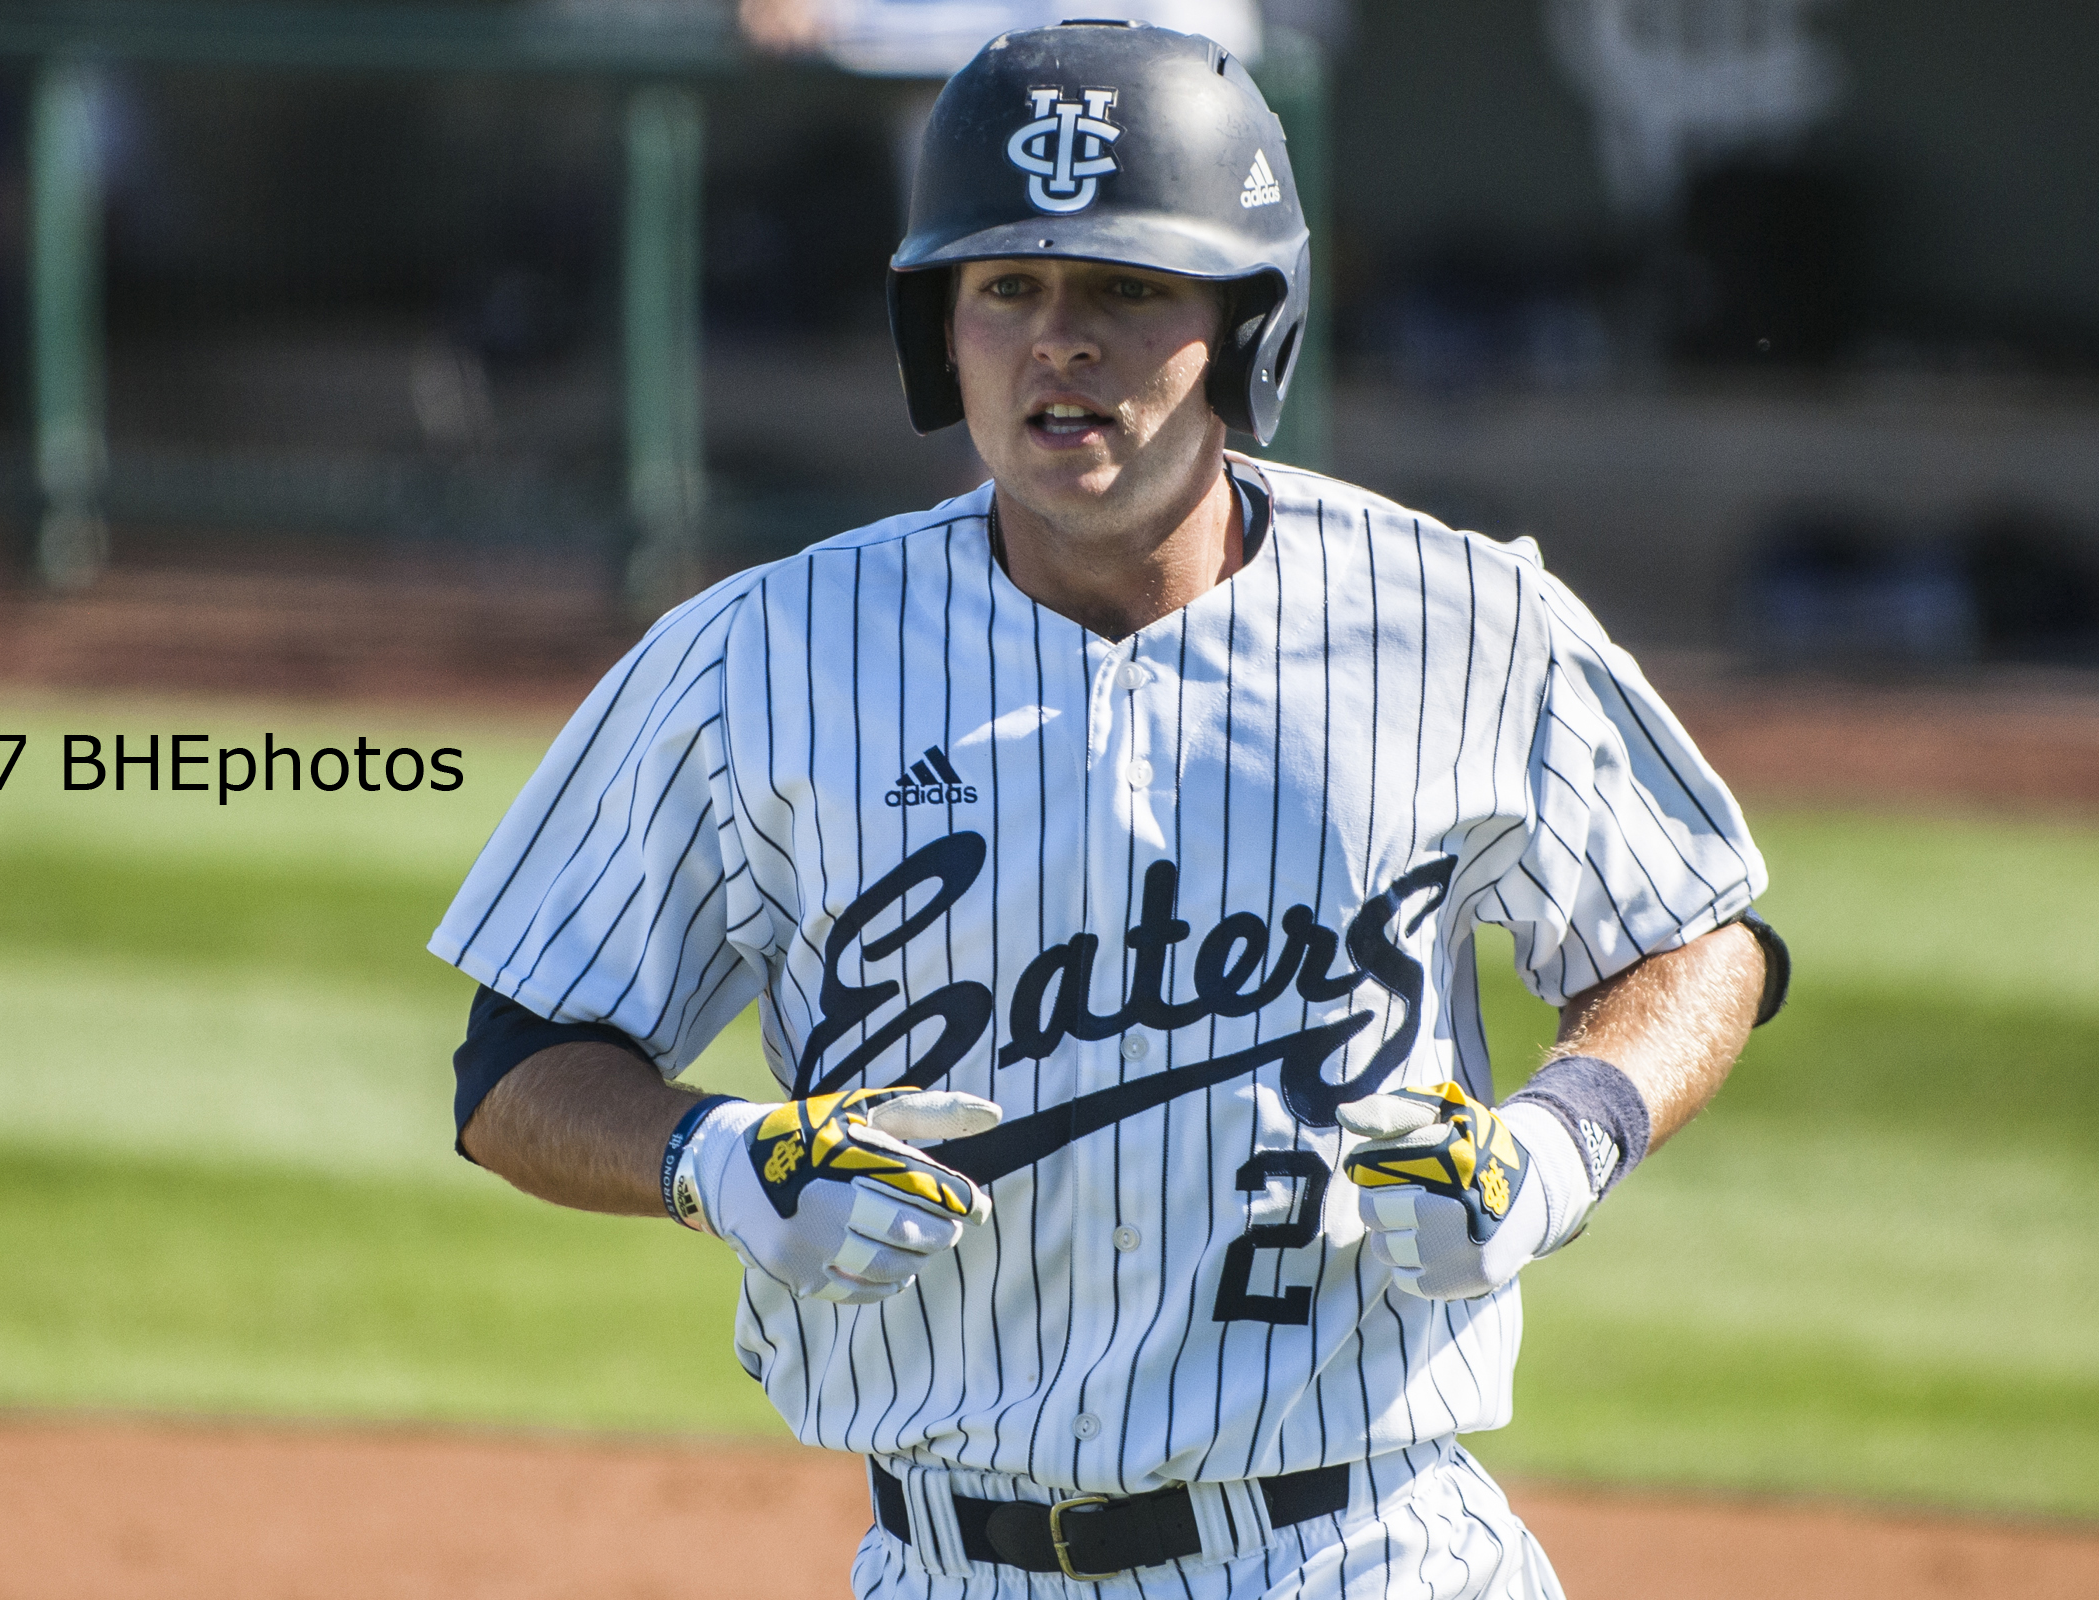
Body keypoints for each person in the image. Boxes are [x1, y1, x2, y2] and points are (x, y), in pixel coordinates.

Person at [432, 22, 1787, 1598]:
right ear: (941, 330)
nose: (1056, 342)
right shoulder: (765, 658)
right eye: (1006, 288)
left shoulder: (1464, 622)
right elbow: (512, 1064)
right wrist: (709, 1160)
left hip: (1370, 1552)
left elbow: (1697, 935)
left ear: (1244, 325)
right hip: (949, 1564)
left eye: (1128, 288)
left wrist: (1567, 1142)